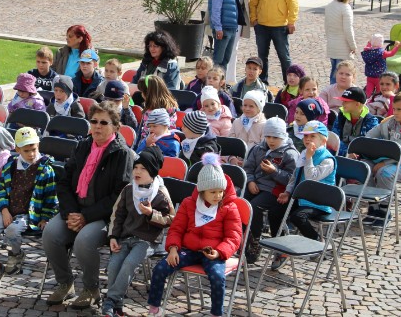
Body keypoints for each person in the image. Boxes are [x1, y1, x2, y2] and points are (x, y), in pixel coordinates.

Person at [41, 102, 132, 309]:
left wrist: (86, 216)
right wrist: (71, 212)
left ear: (115, 127)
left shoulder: (122, 153)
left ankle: (92, 289)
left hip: (104, 216)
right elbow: (64, 182)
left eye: (103, 123)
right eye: (94, 121)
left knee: (83, 241)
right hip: (75, 210)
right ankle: (65, 283)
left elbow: (119, 196)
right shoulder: (82, 146)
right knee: (50, 234)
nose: (97, 126)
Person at [147, 153, 242, 317]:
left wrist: (219, 252)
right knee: (160, 268)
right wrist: (173, 249)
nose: (218, 196)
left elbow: (233, 237)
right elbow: (176, 229)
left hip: (214, 252)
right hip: (188, 250)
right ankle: (154, 308)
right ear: (202, 191)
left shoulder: (229, 207)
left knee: (217, 277)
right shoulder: (188, 203)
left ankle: (216, 314)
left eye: (221, 191)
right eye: (213, 192)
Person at [0, 127, 58, 293]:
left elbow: (51, 197)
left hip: (29, 214)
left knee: (12, 230)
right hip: (8, 210)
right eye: (26, 150)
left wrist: (45, 217)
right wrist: (4, 210)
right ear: (17, 149)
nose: (31, 154)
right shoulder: (10, 166)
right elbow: (1, 190)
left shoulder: (45, 169)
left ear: (38, 146)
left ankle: (16, 254)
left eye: (34, 149)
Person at [103, 147, 175, 317]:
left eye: (143, 168)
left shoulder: (160, 193)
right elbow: (117, 215)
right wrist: (113, 236)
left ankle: (110, 300)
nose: (137, 171)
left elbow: (171, 219)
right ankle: (117, 306)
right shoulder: (129, 189)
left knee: (129, 263)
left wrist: (151, 214)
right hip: (125, 237)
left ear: (152, 172)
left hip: (146, 240)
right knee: (113, 265)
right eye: (135, 167)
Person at [352, 91, 401, 227]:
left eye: (399, 109)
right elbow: (369, 136)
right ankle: (373, 206)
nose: (395, 112)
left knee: (385, 173)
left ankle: (384, 210)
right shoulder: (389, 122)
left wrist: (385, 163)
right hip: (384, 158)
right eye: (394, 109)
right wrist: (362, 148)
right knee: (364, 168)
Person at [275, 121, 336, 269]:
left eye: (312, 136)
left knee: (297, 216)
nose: (308, 139)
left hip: (319, 201)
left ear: (323, 140)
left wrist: (309, 158)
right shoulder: (304, 154)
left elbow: (310, 177)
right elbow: (295, 176)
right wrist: (288, 191)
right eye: (306, 136)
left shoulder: (327, 159)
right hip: (302, 198)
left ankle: (316, 241)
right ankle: (281, 247)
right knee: (275, 211)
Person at [243, 117, 298, 264]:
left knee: (255, 207)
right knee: (240, 203)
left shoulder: (289, 154)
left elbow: (292, 179)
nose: (271, 141)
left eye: (275, 137)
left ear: (283, 136)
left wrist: (274, 171)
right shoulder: (258, 148)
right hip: (256, 185)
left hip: (275, 190)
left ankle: (256, 241)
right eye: (268, 136)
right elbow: (248, 168)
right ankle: (243, 237)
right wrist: (250, 181)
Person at [249, 0, 299, 84]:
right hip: (262, 26)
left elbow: (293, 3)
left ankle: (288, 83)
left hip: (280, 26)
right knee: (262, 57)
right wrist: (253, 19)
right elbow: (252, 4)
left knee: (284, 57)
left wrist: (291, 21)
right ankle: (262, 82)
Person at [208, 0, 245, 70]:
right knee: (218, 59)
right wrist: (218, 28)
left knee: (226, 59)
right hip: (223, 29)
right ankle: (214, 79)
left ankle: (222, 79)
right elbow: (215, 10)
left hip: (232, 28)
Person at [324, 0, 358, 85]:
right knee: (342, 75)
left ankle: (331, 92)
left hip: (331, 44)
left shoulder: (329, 6)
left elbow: (326, 26)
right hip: (342, 46)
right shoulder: (345, 8)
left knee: (334, 72)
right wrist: (353, 46)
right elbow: (348, 29)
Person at [331, 87, 379, 157]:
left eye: (346, 101)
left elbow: (370, 145)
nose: (342, 103)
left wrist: (355, 154)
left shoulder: (371, 121)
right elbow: (334, 139)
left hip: (361, 157)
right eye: (343, 101)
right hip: (340, 153)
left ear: (357, 104)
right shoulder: (341, 116)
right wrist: (347, 153)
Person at [225, 0, 251, 84]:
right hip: (227, 21)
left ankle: (231, 77)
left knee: (234, 49)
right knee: (225, 49)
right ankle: (223, 76)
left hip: (238, 21)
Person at [228, 90, 268, 160]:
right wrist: (232, 158)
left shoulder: (264, 125)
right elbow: (230, 143)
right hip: (236, 161)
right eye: (245, 105)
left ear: (259, 108)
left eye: (251, 106)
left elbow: (263, 149)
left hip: (254, 162)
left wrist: (249, 162)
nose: (247, 109)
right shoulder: (236, 122)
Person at [139, 76, 179, 141]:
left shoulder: (150, 111)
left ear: (148, 93)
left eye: (142, 91)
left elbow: (146, 132)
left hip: (158, 142)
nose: (141, 94)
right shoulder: (171, 106)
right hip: (160, 141)